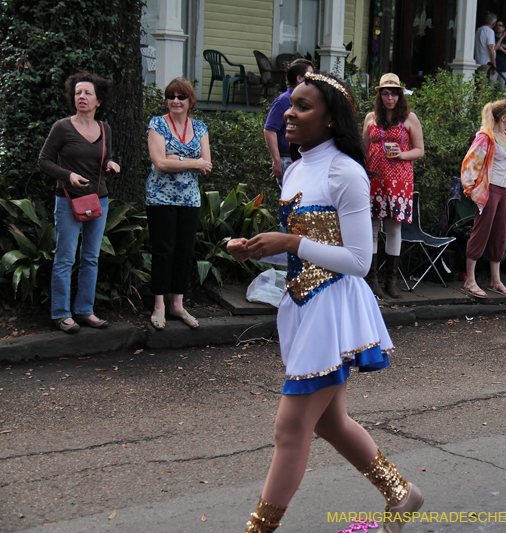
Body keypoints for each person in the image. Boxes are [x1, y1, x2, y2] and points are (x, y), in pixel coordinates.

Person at [227, 72, 423, 533]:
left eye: (303, 106)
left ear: (331, 118)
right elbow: (303, 249)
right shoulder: (296, 168)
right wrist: (257, 249)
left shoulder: (345, 172)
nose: (289, 114)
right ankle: (401, 494)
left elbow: (358, 260)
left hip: (331, 309)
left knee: (290, 429)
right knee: (330, 421)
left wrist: (290, 242)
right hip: (301, 304)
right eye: (290, 104)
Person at [38, 72, 120, 333]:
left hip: (98, 200)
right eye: (77, 93)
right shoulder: (62, 127)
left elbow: (104, 158)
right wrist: (68, 175)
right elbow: (43, 161)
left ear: (98, 100)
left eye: (87, 93)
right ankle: (61, 314)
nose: (81, 97)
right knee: (65, 258)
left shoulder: (104, 129)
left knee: (91, 258)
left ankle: (85, 310)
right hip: (68, 201)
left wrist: (110, 164)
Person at [145, 78, 212, 330]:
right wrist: (191, 162)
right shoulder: (157, 124)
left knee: (184, 251)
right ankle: (159, 306)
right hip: (160, 198)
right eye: (171, 96)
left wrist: (176, 158)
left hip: (190, 200)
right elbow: (159, 163)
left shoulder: (200, 127)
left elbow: (206, 165)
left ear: (190, 101)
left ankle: (177, 304)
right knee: (163, 250)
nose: (175, 101)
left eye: (181, 97)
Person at [362, 73, 425, 298]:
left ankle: (391, 279)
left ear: (400, 96)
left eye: (394, 94)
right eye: (386, 94)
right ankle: (372, 278)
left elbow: (420, 150)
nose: (390, 98)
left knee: (393, 229)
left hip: (399, 180)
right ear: (380, 96)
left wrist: (402, 154)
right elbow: (364, 148)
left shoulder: (409, 118)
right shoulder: (371, 118)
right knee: (371, 227)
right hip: (374, 179)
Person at [460, 99, 506, 298]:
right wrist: (471, 190)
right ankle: (470, 280)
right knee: (481, 231)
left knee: (500, 233)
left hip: (505, 189)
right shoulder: (485, 136)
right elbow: (470, 162)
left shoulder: (505, 136)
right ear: (502, 117)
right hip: (490, 188)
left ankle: (495, 280)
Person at [264, 58, 315, 186]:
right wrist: (277, 161)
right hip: (287, 160)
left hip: (303, 159)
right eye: (310, 75)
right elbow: (269, 130)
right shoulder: (283, 101)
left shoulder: (307, 100)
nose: (313, 79)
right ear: (299, 78)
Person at [474, 12, 498, 81]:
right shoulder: (490, 31)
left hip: (478, 60)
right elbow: (490, 47)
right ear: (494, 23)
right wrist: (494, 63)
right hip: (486, 62)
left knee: (478, 81)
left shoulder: (479, 30)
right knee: (484, 82)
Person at [493, 20, 506, 91]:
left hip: (503, 68)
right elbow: (495, 48)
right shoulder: (492, 38)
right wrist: (502, 37)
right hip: (493, 68)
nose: (498, 27)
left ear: (503, 28)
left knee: (501, 89)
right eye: (497, 25)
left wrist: (503, 50)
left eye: (500, 25)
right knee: (490, 88)